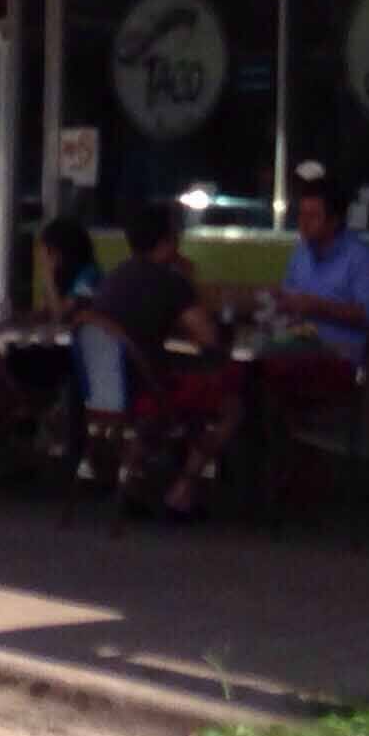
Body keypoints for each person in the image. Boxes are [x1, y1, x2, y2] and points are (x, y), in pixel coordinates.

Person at [90, 200, 240, 516]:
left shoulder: (112, 278)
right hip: (146, 394)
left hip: (105, 394)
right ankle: (182, 490)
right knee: (230, 403)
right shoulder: (169, 282)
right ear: (169, 240)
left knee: (190, 387)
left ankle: (132, 480)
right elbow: (209, 338)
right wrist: (190, 280)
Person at [267, 171, 369, 427]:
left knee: (266, 380)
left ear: (334, 220)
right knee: (247, 374)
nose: (303, 223)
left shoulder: (364, 258)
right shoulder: (301, 254)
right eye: (300, 214)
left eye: (313, 216)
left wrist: (317, 306)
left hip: (344, 362)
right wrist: (278, 303)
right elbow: (289, 301)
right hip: (300, 348)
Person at [37, 214, 101, 315]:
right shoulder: (60, 274)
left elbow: (63, 314)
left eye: (49, 251)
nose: (43, 258)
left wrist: (48, 278)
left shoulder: (88, 275)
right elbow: (45, 312)